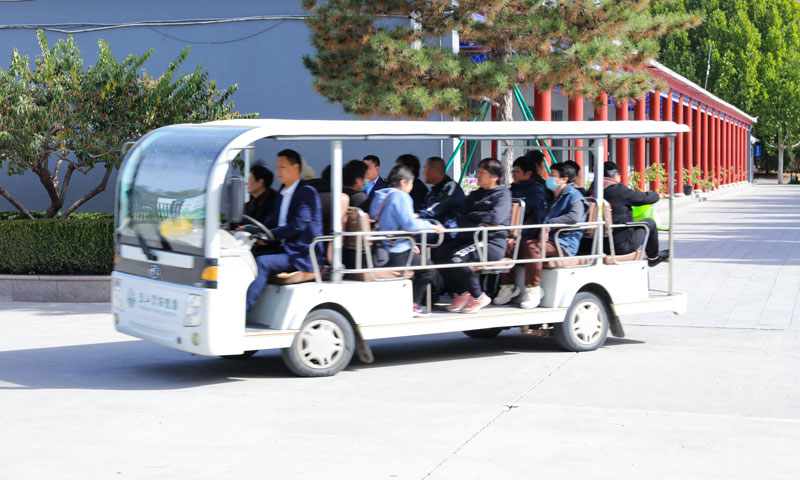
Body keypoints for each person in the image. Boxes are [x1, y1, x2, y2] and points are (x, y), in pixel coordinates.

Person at [494, 162, 589, 309]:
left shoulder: (574, 196)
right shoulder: (550, 196)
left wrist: (550, 223)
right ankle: (508, 286)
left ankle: (534, 290)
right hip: (544, 239)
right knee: (510, 244)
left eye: (553, 176)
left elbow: (574, 217)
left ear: (564, 179)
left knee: (532, 247)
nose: (549, 178)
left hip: (563, 243)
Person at [245, 149, 323, 311]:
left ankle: (244, 310)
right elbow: (274, 221)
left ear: (295, 168)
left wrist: (271, 235)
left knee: (262, 263)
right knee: (246, 255)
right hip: (284, 248)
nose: (278, 171)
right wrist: (259, 233)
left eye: (282, 167)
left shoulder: (307, 193)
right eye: (277, 167)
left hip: (301, 253)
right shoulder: (282, 192)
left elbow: (298, 224)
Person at [434, 158, 511, 314]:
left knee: (457, 257)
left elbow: (496, 218)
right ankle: (461, 293)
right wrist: (480, 218)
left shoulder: (502, 195)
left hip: (491, 242)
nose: (477, 175)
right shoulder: (475, 194)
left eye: (482, 172)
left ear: (494, 176)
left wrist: (474, 216)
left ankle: (478, 296)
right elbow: (461, 217)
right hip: (469, 238)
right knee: (438, 254)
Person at [369, 165, 446, 315]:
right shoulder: (401, 197)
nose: (411, 187)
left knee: (420, 264)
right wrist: (430, 226)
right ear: (403, 182)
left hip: (382, 248)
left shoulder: (380, 195)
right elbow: (410, 224)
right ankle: (413, 304)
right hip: (397, 251)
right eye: (411, 184)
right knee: (428, 268)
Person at [602, 161, 669, 266]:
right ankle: (653, 257)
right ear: (616, 176)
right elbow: (641, 198)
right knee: (649, 223)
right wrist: (657, 196)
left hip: (600, 244)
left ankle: (653, 255)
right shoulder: (617, 189)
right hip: (620, 245)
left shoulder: (593, 191)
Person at [418, 156, 465, 232]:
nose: (423, 173)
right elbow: (424, 208)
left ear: (434, 171)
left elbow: (437, 207)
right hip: (435, 229)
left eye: (425, 168)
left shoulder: (451, 187)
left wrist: (417, 215)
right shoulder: (432, 191)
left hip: (449, 231)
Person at [510, 152, 547, 228]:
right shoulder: (511, 189)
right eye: (513, 171)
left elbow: (533, 214)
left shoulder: (536, 191)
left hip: (528, 231)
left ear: (528, 174)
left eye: (517, 171)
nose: (513, 174)